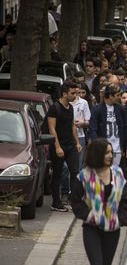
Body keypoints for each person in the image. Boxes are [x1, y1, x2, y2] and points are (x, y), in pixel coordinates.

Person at [70, 138, 127, 265]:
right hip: (92, 228)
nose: (110, 156)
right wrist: (89, 216)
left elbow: (126, 199)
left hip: (113, 229)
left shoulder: (118, 173)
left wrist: (121, 219)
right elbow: (75, 201)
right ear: (97, 154)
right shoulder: (84, 176)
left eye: (111, 152)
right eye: (107, 153)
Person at [47, 81, 83, 212]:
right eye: (72, 93)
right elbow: (52, 128)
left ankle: (74, 201)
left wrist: (77, 142)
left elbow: (72, 126)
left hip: (70, 145)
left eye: (76, 93)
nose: (75, 96)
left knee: (75, 171)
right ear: (64, 93)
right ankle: (56, 202)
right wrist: (57, 147)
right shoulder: (54, 108)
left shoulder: (71, 108)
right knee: (57, 174)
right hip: (59, 145)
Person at [89, 85, 127, 168]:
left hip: (117, 147)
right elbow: (93, 129)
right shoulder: (97, 109)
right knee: (103, 171)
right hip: (103, 148)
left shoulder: (120, 109)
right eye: (117, 95)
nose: (119, 97)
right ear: (110, 96)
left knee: (116, 172)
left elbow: (125, 128)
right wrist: (96, 147)